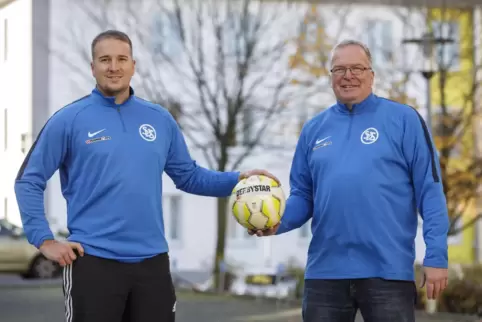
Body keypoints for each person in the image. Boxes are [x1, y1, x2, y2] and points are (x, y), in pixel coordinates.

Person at [14, 29, 279, 322]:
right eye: (105, 59)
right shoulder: (69, 119)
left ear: (133, 65)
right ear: (93, 67)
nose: (114, 67)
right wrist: (44, 240)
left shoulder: (159, 119)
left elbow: (188, 176)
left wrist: (238, 179)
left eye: (121, 59)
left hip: (152, 264)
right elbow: (29, 179)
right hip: (94, 263)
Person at [250, 39, 449, 322]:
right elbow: (303, 196)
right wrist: (275, 221)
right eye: (339, 69)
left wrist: (436, 256)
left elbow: (430, 192)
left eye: (357, 68)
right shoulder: (313, 129)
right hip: (325, 274)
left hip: (387, 272)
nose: (348, 75)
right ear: (330, 77)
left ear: (372, 74)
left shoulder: (404, 120)